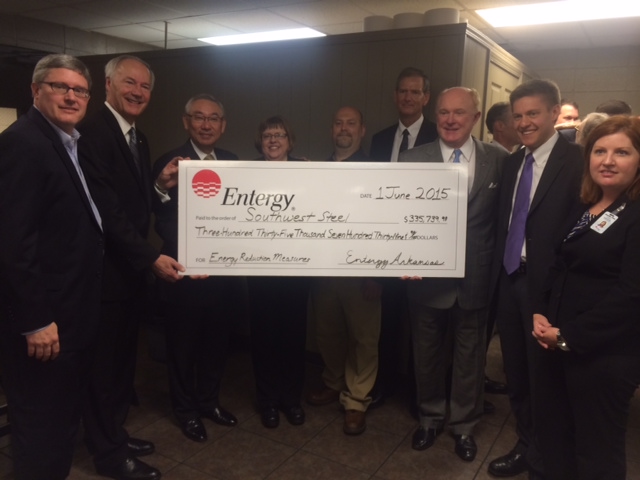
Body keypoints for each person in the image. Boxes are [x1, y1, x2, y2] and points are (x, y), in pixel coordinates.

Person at [79, 55, 183, 480]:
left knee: (123, 363)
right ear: (108, 83)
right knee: (104, 369)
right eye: (129, 83)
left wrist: (158, 187)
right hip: (105, 276)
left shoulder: (136, 137)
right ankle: (108, 455)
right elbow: (106, 211)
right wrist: (150, 256)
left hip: (127, 276)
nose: (138, 92)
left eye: (144, 86)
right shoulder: (92, 130)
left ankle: (113, 434)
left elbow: (130, 200)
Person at [0, 54, 103, 479]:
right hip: (45, 325)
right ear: (35, 91)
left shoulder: (63, 141)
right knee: (41, 431)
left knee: (58, 423)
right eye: (61, 87)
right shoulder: (24, 144)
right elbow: (11, 242)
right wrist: (36, 320)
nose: (71, 96)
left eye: (80, 90)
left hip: (68, 315)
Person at [399, 87, 507, 462]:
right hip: (425, 280)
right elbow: (399, 217)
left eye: (459, 113)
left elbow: (503, 222)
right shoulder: (413, 160)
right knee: (425, 354)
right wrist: (403, 260)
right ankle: (429, 418)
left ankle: (464, 426)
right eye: (444, 112)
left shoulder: (499, 158)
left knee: (470, 358)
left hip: (476, 278)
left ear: (475, 117)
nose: (450, 119)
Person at [532, 115, 640, 480]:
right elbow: (562, 266)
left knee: (598, 452)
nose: (607, 160)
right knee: (559, 438)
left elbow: (631, 294)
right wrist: (541, 313)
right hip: (561, 345)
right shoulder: (589, 205)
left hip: (604, 357)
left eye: (622, 152)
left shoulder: (635, 214)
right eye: (599, 151)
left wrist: (568, 337)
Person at [487, 79, 583, 479]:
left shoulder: (578, 161)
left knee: (546, 378)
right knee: (518, 373)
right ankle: (526, 444)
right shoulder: (512, 162)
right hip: (510, 280)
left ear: (554, 114)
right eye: (518, 115)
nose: (524, 122)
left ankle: (546, 456)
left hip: (550, 287)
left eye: (533, 114)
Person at [152, 94, 239, 443]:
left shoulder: (234, 162)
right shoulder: (170, 162)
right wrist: (195, 251)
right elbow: (162, 218)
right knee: (183, 348)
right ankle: (185, 411)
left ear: (223, 125)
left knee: (217, 345)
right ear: (186, 122)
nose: (206, 124)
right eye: (199, 118)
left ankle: (208, 402)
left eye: (214, 118)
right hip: (184, 273)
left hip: (222, 276)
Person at [307, 106, 382, 436]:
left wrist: (376, 274)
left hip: (362, 272)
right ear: (331, 129)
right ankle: (333, 382)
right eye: (338, 122)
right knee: (329, 333)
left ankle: (356, 400)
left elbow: (384, 225)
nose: (344, 128)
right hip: (324, 268)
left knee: (364, 339)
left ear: (362, 130)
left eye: (351, 123)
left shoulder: (376, 172)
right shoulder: (316, 170)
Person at [248, 115, 309, 429]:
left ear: (290, 141)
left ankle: (291, 400)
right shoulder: (246, 173)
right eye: (268, 134)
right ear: (261, 141)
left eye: (280, 134)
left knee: (293, 339)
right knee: (264, 339)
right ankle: (268, 401)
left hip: (296, 272)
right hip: (259, 271)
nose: (273, 140)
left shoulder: (306, 171)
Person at [369, 67, 438, 162]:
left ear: (426, 98)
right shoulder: (379, 140)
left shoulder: (437, 137)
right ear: (395, 96)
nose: (407, 98)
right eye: (403, 91)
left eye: (415, 92)